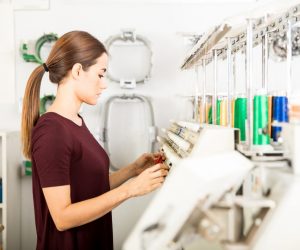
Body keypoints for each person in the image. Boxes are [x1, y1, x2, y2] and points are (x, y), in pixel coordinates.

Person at [21, 30, 169, 250]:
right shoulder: (52, 131)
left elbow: (89, 189)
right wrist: (131, 190)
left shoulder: (75, 122)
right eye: (101, 74)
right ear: (78, 71)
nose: (104, 84)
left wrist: (132, 170)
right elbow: (62, 218)